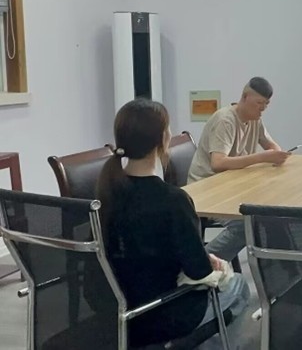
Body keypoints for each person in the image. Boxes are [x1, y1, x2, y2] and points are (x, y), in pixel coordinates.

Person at [96, 98, 249, 348]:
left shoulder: (105, 193)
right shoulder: (173, 200)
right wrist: (211, 264)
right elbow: (198, 272)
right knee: (239, 287)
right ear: (163, 140)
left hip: (112, 312)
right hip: (161, 312)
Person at [187, 77, 290, 261]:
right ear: (244, 97)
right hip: (208, 187)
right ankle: (202, 263)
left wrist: (277, 153)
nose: (262, 108)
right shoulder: (225, 120)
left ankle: (283, 266)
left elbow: (271, 146)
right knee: (245, 225)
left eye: (266, 104)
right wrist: (262, 157)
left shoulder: (255, 119)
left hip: (233, 184)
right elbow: (218, 163)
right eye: (259, 103)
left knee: (272, 213)